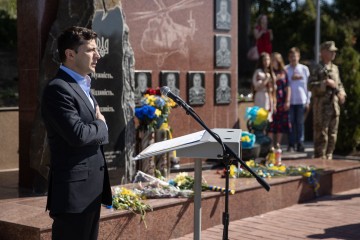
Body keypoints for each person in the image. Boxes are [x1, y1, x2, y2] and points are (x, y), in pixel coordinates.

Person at [41, 26, 112, 240]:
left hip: (91, 191)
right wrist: (102, 125)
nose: (98, 55)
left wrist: (99, 127)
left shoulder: (83, 85)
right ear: (70, 54)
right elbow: (78, 135)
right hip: (73, 196)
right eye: (90, 50)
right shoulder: (58, 89)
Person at [309, 41, 346, 159]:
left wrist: (342, 94)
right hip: (321, 107)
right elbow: (310, 86)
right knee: (321, 134)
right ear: (323, 52)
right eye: (331, 51)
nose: (334, 53)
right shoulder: (317, 68)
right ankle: (320, 158)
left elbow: (339, 84)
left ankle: (329, 156)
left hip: (334, 106)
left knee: (333, 134)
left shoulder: (335, 68)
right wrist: (325, 83)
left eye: (334, 51)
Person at [285, 47, 311, 152]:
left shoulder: (304, 69)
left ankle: (300, 143)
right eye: (291, 56)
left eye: (295, 56)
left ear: (298, 57)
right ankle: (291, 144)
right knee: (290, 123)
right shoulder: (286, 69)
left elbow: (308, 86)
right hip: (290, 101)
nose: (293, 58)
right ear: (288, 58)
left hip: (301, 100)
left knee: (300, 123)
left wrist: (308, 100)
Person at [268, 52, 291, 146]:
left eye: (277, 60)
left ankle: (278, 144)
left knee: (280, 123)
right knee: (271, 123)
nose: (275, 62)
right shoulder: (269, 72)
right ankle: (270, 145)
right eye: (273, 60)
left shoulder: (284, 72)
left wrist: (287, 101)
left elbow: (288, 87)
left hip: (282, 100)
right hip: (272, 99)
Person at [252, 52, 276, 121]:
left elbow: (274, 88)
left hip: (269, 96)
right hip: (260, 95)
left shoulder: (271, 73)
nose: (266, 62)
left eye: (268, 60)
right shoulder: (258, 72)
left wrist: (274, 102)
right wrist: (266, 80)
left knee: (268, 118)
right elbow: (257, 87)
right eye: (264, 60)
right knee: (260, 117)